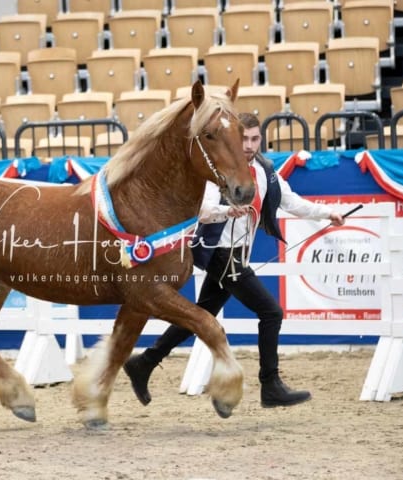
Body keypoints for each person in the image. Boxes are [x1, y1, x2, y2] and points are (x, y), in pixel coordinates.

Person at [124, 112, 346, 408]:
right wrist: (226, 211)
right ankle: (270, 384)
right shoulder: (220, 172)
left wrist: (327, 214)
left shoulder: (267, 174)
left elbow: (293, 203)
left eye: (255, 139)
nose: (249, 145)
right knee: (271, 312)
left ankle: (145, 362)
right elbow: (201, 211)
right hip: (219, 253)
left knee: (201, 314)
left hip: (236, 256)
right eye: (244, 139)